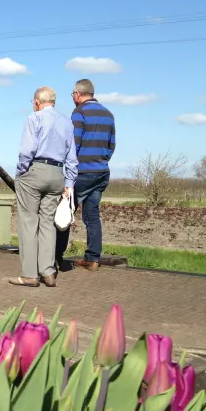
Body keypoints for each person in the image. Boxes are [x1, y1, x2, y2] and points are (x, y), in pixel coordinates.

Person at [9, 87, 78, 288]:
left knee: (29, 221)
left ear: (37, 102)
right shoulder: (66, 122)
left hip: (35, 170)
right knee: (48, 222)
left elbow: (27, 149)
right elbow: (72, 158)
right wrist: (69, 183)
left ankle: (29, 274)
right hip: (58, 174)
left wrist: (21, 171)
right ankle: (48, 271)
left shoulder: (34, 118)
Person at [55, 78, 116, 272]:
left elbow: (74, 144)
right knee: (92, 216)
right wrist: (101, 160)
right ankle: (92, 259)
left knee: (65, 212)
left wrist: (69, 170)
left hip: (82, 173)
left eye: (73, 94)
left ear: (78, 94)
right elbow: (111, 145)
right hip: (101, 172)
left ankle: (57, 257)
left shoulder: (79, 113)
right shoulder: (108, 114)